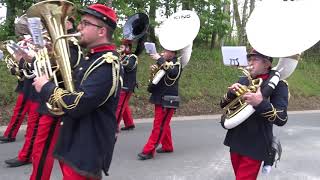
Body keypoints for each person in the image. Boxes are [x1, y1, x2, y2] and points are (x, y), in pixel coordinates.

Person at [33, 4, 121, 179]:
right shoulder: (92, 58)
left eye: (85, 23)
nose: (79, 27)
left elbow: (79, 103)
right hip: (75, 140)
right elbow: (71, 87)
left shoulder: (106, 63)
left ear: (102, 31)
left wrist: (46, 87)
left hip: (86, 147)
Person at [220, 49, 290, 179]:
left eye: (255, 59)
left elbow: (282, 118)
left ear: (267, 64)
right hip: (236, 139)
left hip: (256, 143)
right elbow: (222, 104)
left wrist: (260, 103)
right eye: (249, 59)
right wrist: (231, 94)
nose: (250, 63)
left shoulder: (279, 85)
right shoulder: (243, 80)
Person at [137, 49, 182, 160]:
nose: (163, 53)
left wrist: (160, 59)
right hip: (159, 96)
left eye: (166, 51)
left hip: (167, 99)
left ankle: (149, 150)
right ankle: (168, 146)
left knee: (159, 126)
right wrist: (156, 66)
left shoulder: (177, 64)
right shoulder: (164, 62)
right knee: (163, 124)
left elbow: (173, 73)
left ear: (172, 53)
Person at [116, 38, 144, 131]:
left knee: (119, 106)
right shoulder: (123, 56)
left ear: (128, 47)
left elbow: (129, 66)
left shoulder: (132, 57)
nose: (120, 48)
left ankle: (114, 126)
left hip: (127, 85)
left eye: (122, 46)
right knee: (124, 104)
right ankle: (129, 123)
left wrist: (119, 60)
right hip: (122, 83)